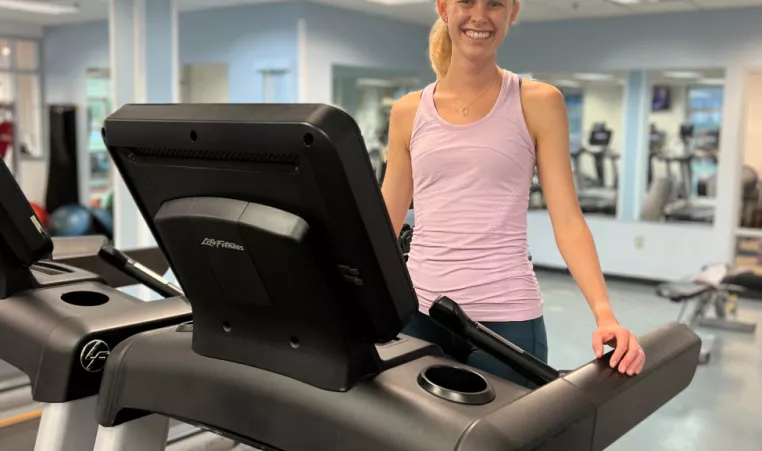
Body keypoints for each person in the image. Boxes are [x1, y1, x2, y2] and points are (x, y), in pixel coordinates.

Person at [380, 0, 646, 386]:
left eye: (494, 4)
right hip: (419, 313)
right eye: (466, 1)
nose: (479, 15)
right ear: (443, 7)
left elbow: (568, 220)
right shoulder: (408, 111)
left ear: (513, 12)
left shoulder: (538, 102)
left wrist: (605, 314)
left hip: (507, 317)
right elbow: (384, 221)